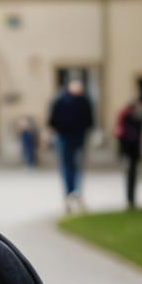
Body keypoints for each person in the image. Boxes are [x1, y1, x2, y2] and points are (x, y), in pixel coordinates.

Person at [47, 77, 94, 214]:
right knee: (68, 166)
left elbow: (89, 120)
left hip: (77, 137)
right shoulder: (62, 100)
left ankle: (76, 192)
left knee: (76, 166)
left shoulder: (83, 100)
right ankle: (70, 193)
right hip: (65, 137)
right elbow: (53, 120)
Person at [114, 94, 142, 209]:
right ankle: (131, 200)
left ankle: (131, 200)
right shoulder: (133, 117)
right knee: (132, 175)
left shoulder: (128, 115)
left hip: (131, 150)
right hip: (132, 150)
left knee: (132, 175)